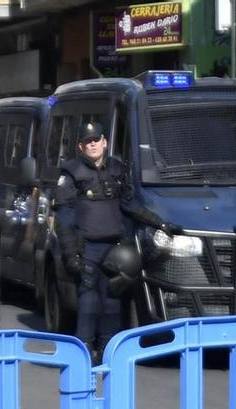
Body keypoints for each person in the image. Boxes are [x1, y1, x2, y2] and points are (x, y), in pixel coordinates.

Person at [51, 119, 171, 361]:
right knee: (89, 300)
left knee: (113, 300)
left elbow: (130, 205)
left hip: (114, 249)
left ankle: (109, 352)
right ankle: (83, 353)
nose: (93, 144)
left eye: (97, 140)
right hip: (87, 249)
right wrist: (69, 253)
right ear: (80, 146)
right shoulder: (71, 173)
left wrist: (160, 222)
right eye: (88, 141)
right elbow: (64, 218)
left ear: (105, 143)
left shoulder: (116, 170)